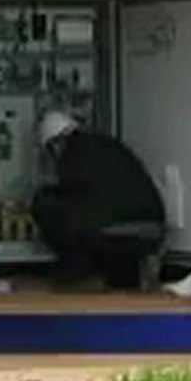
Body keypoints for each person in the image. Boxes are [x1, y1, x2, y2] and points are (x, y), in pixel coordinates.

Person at [31, 110, 165, 289]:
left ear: (54, 144)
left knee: (45, 202)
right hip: (151, 228)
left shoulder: (71, 155)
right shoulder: (110, 145)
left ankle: (78, 276)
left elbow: (71, 202)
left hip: (108, 234)